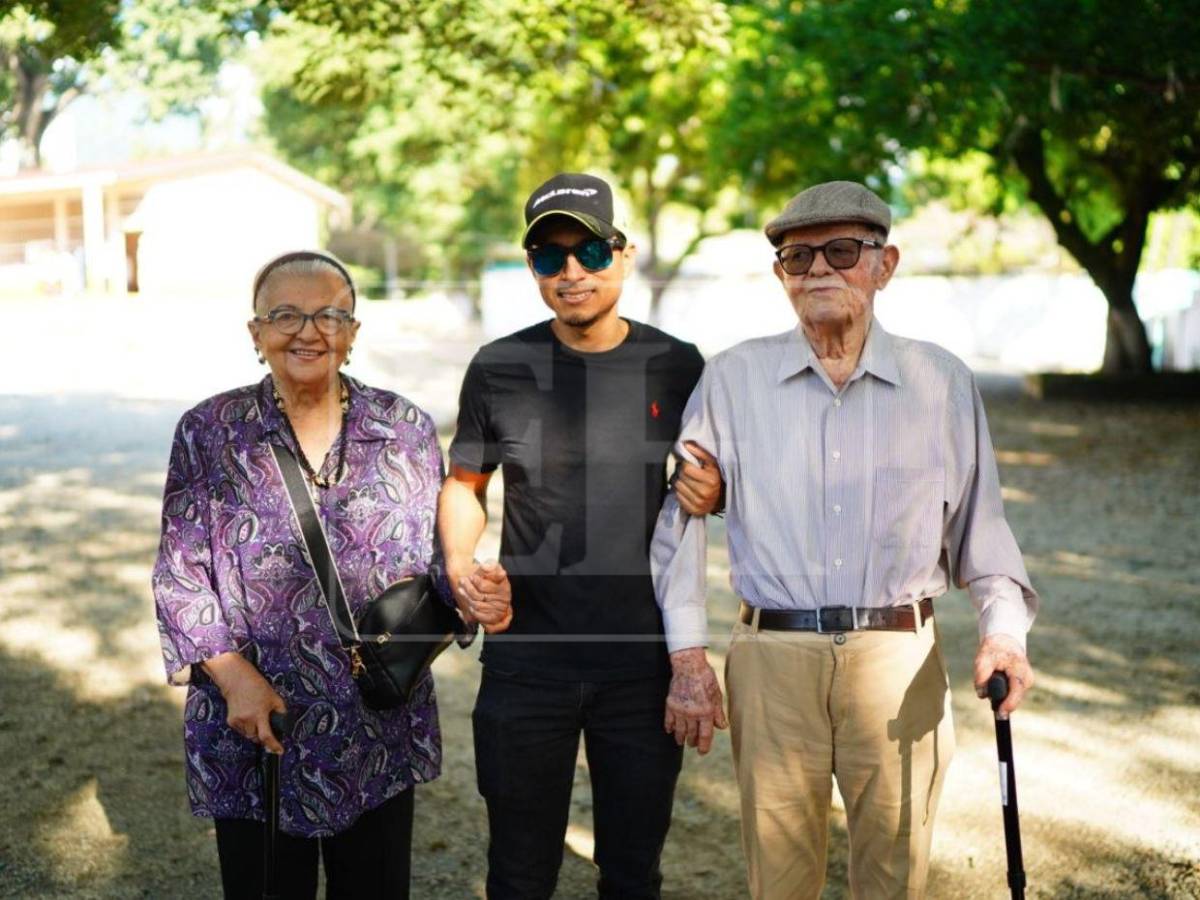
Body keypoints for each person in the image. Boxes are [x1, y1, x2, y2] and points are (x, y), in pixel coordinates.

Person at [650, 181, 1040, 899]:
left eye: (842, 251)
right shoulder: (732, 378)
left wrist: (1005, 635)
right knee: (780, 881)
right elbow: (680, 525)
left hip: (899, 660)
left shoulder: (940, 382)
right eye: (798, 257)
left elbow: (984, 531)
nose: (819, 269)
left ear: (883, 265)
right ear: (780, 276)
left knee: (895, 877)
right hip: (772, 663)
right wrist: (687, 658)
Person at [438, 173, 723, 899]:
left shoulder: (679, 364)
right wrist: (461, 566)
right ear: (532, 267)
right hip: (526, 661)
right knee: (520, 871)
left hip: (642, 662)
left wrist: (718, 493)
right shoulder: (500, 367)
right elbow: (466, 486)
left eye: (590, 251)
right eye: (549, 257)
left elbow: (718, 486)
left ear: (622, 256)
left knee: (632, 872)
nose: (571, 273)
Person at [152, 249, 451, 899]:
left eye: (329, 315)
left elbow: (439, 564)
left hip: (375, 727)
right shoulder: (211, 431)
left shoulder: (404, 429)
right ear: (256, 334)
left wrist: (470, 595)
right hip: (260, 724)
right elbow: (180, 573)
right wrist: (234, 680)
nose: (309, 332)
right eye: (285, 315)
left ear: (353, 333)